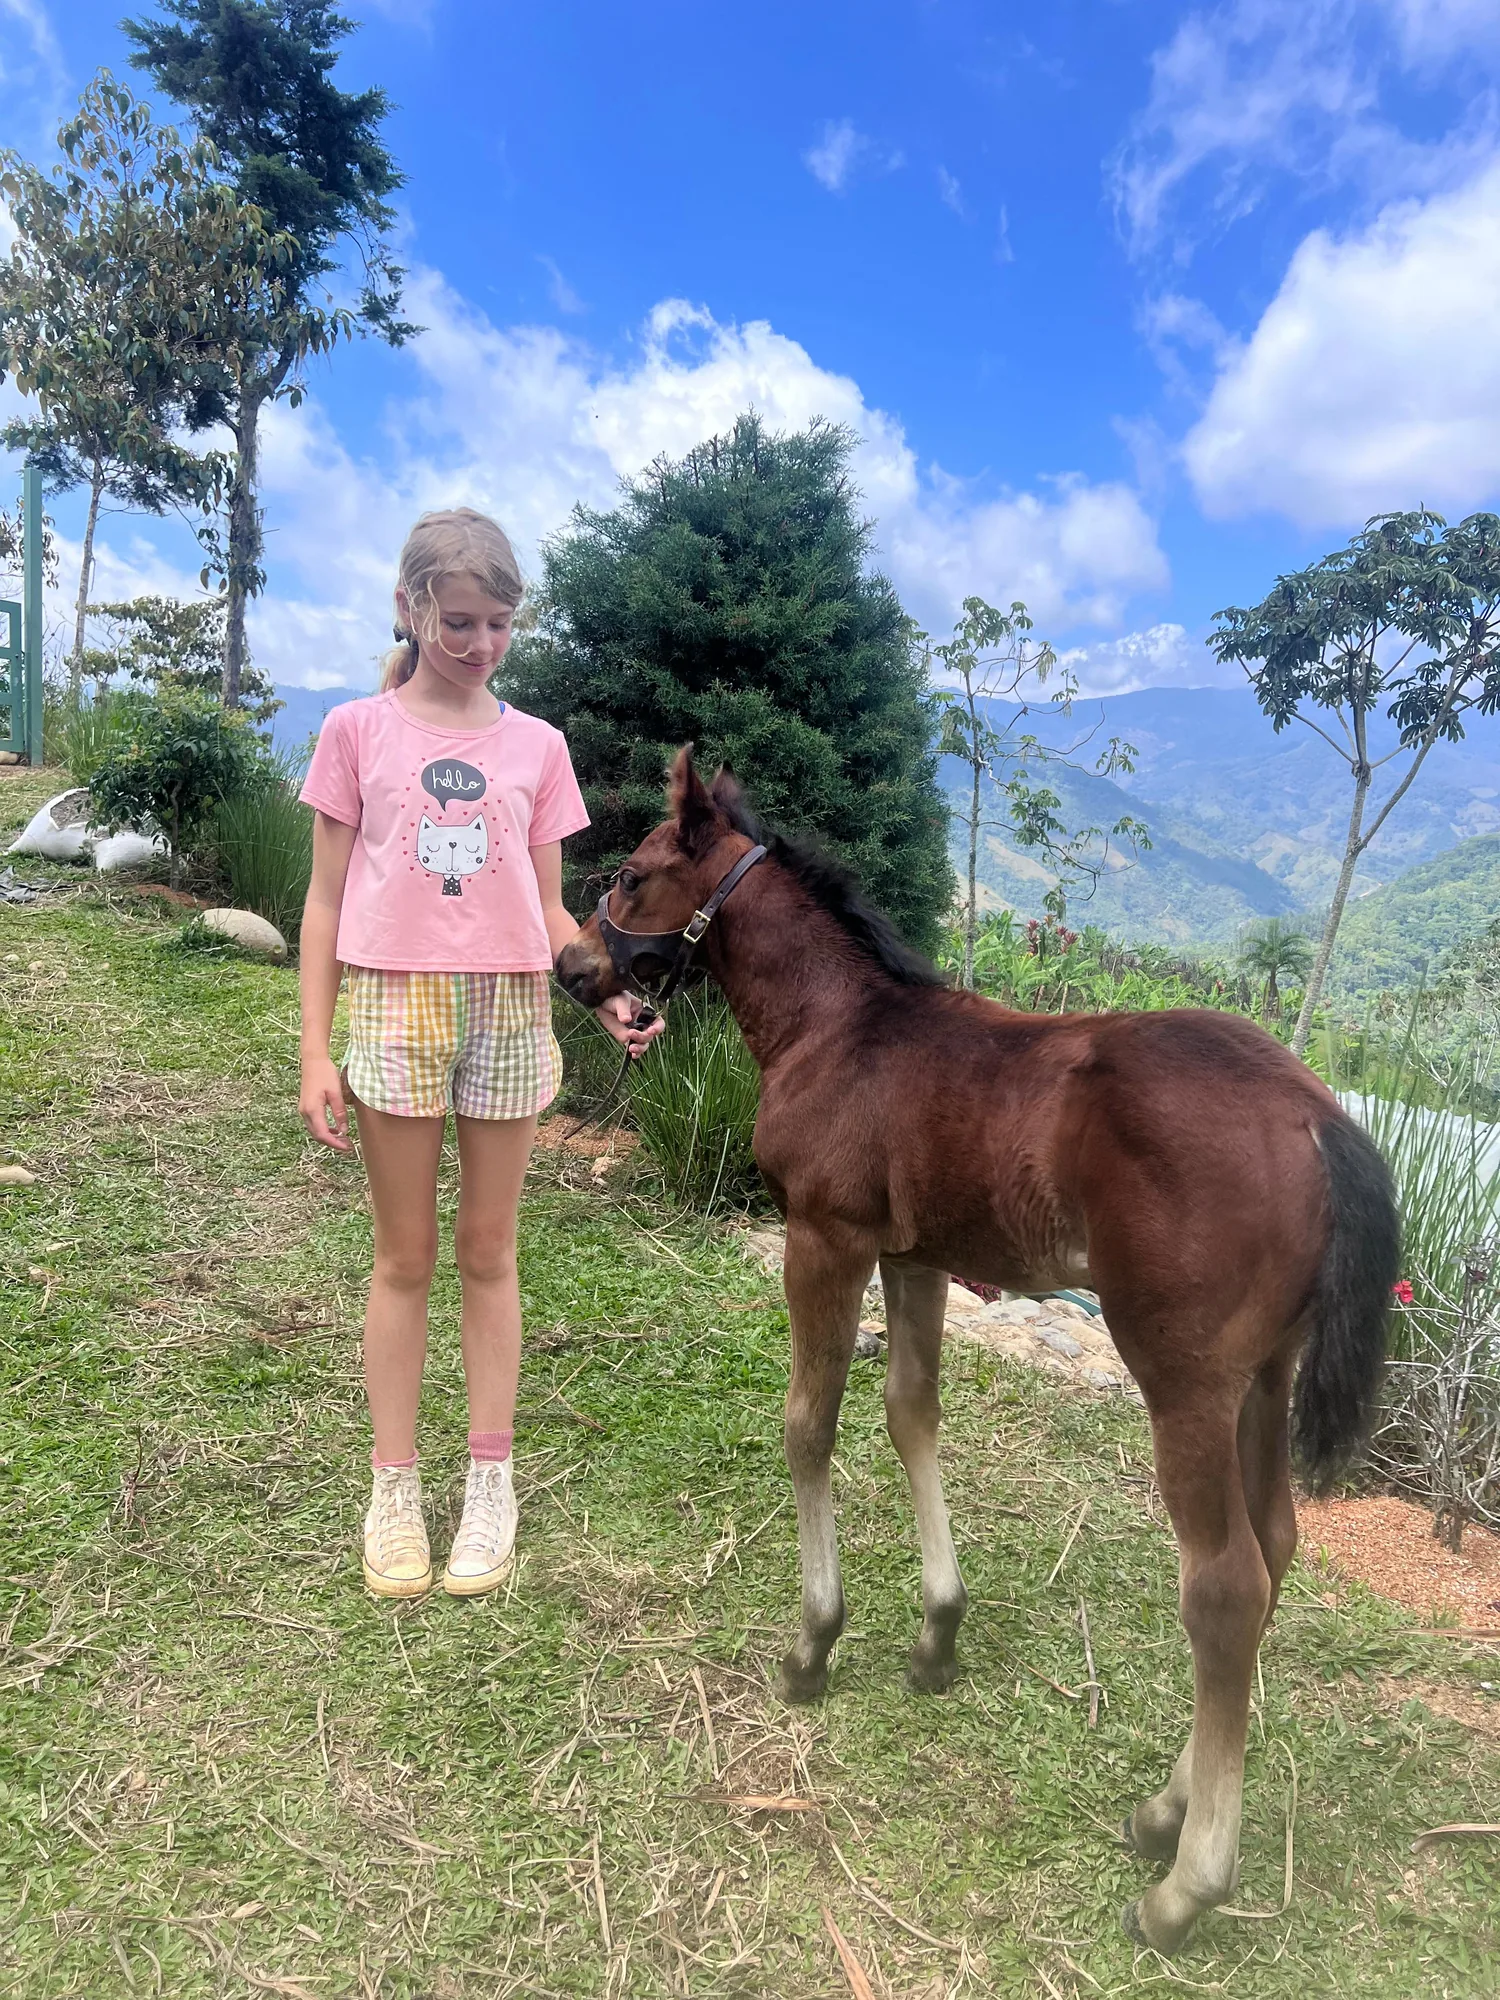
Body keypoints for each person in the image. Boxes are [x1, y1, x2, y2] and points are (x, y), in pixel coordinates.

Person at [297, 508, 659, 1598]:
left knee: (490, 1251)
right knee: (404, 1256)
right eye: (460, 620)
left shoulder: (536, 748)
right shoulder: (356, 732)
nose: (481, 643)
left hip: (508, 1007)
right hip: (395, 1004)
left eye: (499, 624)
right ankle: (395, 1483)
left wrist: (604, 994)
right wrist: (316, 1046)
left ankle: (489, 1480)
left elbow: (544, 907)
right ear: (411, 607)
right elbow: (321, 904)